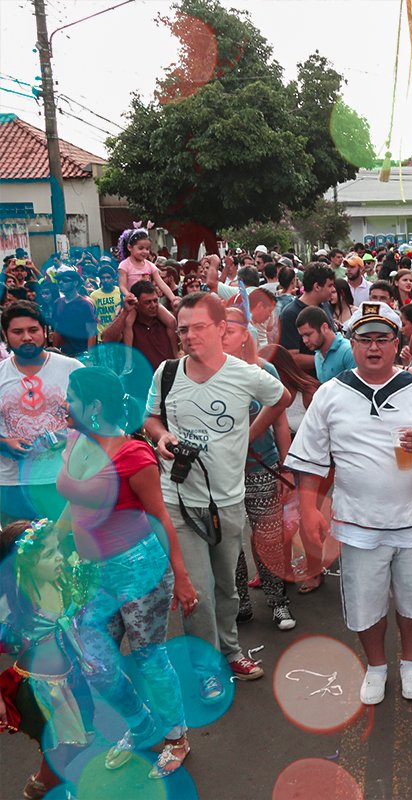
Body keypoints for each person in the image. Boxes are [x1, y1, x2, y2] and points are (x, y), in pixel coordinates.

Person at [285, 301, 412, 704]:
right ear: (353, 343)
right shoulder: (331, 394)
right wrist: (310, 509)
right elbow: (309, 457)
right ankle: (378, 667)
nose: (374, 347)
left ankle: (411, 664)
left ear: (396, 342)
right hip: (357, 524)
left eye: (383, 338)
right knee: (366, 604)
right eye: (365, 339)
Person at [56, 367, 198, 779]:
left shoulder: (133, 455)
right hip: (94, 574)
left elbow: (160, 517)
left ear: (95, 406)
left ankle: (175, 736)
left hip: (139, 569)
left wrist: (182, 577)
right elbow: (73, 502)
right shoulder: (76, 441)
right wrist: (54, 539)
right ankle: (140, 724)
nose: (65, 403)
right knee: (94, 664)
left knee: (149, 655)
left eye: (72, 397)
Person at [143, 292, 287, 696]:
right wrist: (162, 435)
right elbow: (150, 417)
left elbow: (281, 399)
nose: (188, 336)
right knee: (199, 592)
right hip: (179, 498)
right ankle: (206, 667)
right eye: (183, 329)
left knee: (227, 586)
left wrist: (247, 439)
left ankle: (231, 651)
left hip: (227, 500)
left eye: (198, 327)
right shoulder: (167, 373)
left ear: (221, 328)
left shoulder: (246, 374)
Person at [0, 519, 93, 799]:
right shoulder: (13, 607)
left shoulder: (63, 580)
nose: (60, 558)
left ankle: (41, 783)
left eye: (58, 549)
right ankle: (56, 790)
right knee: (62, 746)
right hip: (39, 690)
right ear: (24, 566)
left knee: (79, 741)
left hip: (72, 677)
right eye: (50, 554)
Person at [221, 308, 298, 631]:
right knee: (230, 539)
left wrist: (287, 466)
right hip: (223, 472)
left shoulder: (264, 371)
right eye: (219, 329)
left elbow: (280, 420)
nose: (223, 336)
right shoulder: (207, 374)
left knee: (268, 535)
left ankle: (278, 601)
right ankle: (240, 603)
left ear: (245, 335)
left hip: (261, 468)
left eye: (230, 330)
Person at [0, 301, 82, 523]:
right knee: (20, 552)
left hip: (63, 479)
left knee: (69, 551)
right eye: (17, 332)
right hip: (13, 485)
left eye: (33, 330)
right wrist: (4, 443)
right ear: (6, 335)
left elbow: (98, 418)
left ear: (45, 332)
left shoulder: (72, 368)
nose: (26, 337)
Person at [277, 263, 337, 377]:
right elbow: (292, 357)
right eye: (330, 286)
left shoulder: (325, 305)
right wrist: (328, 359)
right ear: (317, 287)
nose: (333, 290)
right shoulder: (290, 314)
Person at [116, 228, 176, 305]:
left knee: (169, 317)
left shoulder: (150, 265)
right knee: (130, 316)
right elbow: (122, 286)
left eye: (147, 249)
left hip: (149, 301)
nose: (145, 251)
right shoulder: (124, 265)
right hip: (133, 302)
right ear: (130, 247)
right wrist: (129, 295)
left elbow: (162, 284)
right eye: (141, 248)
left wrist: (173, 299)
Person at [296, 305, 355, 383]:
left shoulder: (348, 351)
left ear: (324, 327)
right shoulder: (318, 356)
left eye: (308, 334)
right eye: (302, 336)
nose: (305, 340)